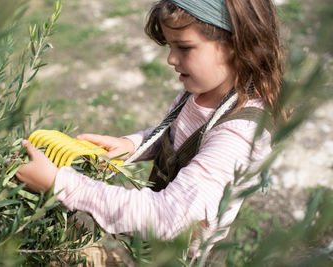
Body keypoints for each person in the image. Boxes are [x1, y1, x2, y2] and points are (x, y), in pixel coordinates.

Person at [16, 0, 287, 260]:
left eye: (184, 47)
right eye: (170, 46)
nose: (171, 58)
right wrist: (134, 144)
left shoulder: (239, 134)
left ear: (236, 45)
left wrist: (61, 184)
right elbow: (176, 135)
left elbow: (167, 216)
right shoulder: (202, 92)